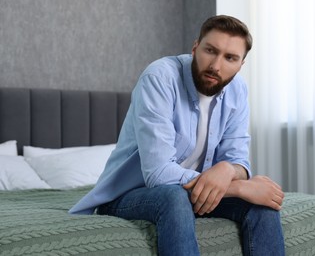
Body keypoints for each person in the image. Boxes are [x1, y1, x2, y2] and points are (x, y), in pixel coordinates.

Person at [70, 15, 285, 255]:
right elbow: (158, 174)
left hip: (193, 193)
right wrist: (239, 188)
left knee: (261, 204)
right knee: (174, 197)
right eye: (210, 50)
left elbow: (238, 161)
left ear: (241, 64)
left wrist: (227, 170)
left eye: (230, 58)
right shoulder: (159, 78)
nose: (216, 65)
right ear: (195, 47)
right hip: (128, 195)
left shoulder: (238, 90)